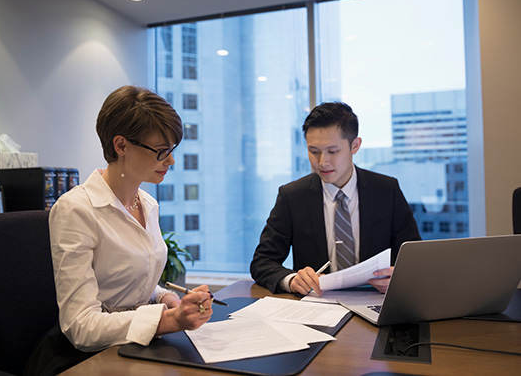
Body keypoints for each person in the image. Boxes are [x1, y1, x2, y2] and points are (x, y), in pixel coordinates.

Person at [25, 85, 213, 375]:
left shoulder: (147, 204)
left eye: (172, 149)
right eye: (161, 151)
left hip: (134, 348)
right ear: (121, 146)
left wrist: (165, 298)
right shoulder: (76, 209)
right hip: (85, 359)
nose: (171, 161)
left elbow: (128, 284)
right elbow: (81, 327)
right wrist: (169, 321)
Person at [250, 102, 421, 296]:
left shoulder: (386, 190)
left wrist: (398, 277)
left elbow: (414, 258)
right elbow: (262, 262)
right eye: (314, 152)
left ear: (355, 146)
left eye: (332, 151)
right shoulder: (292, 196)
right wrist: (291, 280)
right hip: (316, 307)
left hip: (376, 301)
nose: (323, 162)